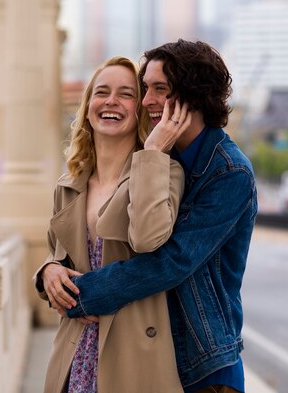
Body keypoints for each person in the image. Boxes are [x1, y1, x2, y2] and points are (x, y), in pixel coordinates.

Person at [44, 40, 258, 393]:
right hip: (152, 350)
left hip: (203, 362)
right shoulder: (158, 156)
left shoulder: (228, 172)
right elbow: (70, 247)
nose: (146, 102)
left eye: (160, 89)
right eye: (145, 89)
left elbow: (170, 261)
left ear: (194, 95)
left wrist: (80, 294)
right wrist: (49, 273)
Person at [35, 56, 192, 393]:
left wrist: (152, 153)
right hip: (75, 354)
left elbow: (149, 239)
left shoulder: (165, 171)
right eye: (101, 92)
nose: (111, 101)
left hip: (133, 355)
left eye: (126, 94)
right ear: (88, 106)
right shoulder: (69, 185)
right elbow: (58, 256)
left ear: (139, 109)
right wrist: (48, 271)